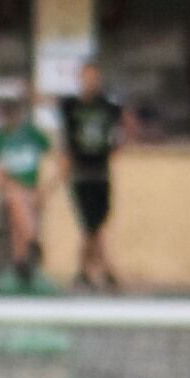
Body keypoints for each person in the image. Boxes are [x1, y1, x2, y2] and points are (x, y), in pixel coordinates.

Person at [57, 58, 125, 293]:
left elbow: (124, 126)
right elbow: (63, 139)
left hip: (101, 171)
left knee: (97, 223)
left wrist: (116, 148)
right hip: (80, 172)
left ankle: (85, 272)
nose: (90, 82)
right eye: (86, 77)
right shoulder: (70, 106)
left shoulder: (107, 106)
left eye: (93, 77)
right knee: (89, 223)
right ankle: (103, 271)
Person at [0, 91, 52, 289]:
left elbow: (54, 156)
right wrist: (19, 189)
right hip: (11, 193)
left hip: (31, 192)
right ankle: (32, 238)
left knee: (19, 213)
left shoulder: (32, 134)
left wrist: (45, 188)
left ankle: (21, 264)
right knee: (16, 200)